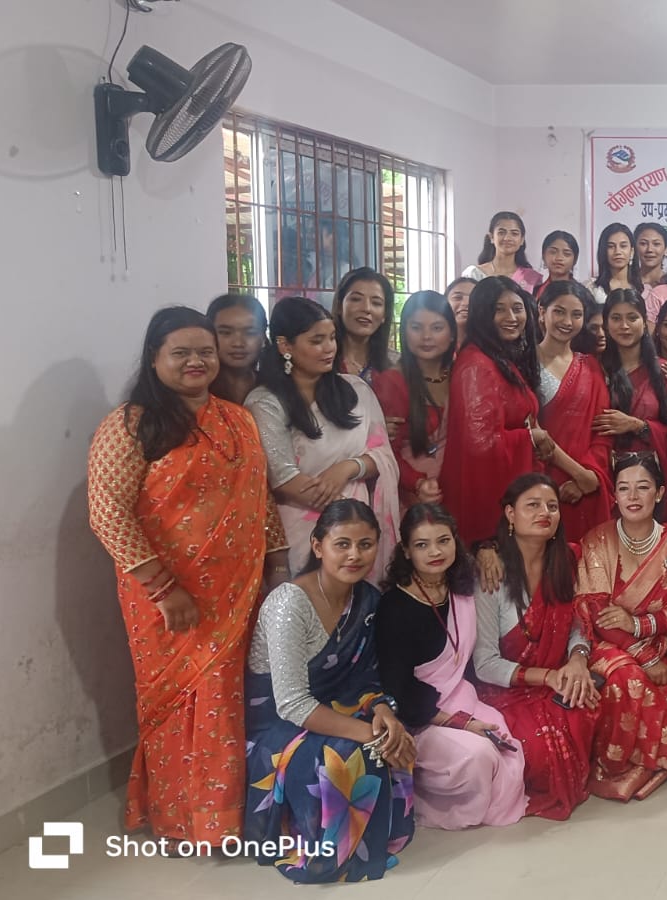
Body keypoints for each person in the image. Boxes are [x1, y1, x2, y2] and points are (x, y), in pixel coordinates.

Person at [87, 306, 288, 842]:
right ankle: (181, 820)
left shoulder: (237, 418)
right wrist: (162, 588)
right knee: (180, 703)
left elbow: (259, 497)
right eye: (181, 352)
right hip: (167, 598)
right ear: (154, 359)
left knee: (233, 694)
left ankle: (230, 815)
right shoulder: (130, 424)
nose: (196, 361)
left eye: (205, 351)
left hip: (239, 590)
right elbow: (107, 513)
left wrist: (279, 564)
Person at [243, 499, 415, 882]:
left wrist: (383, 713)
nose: (355, 555)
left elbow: (367, 678)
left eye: (365, 545)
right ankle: (327, 850)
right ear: (318, 546)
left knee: (394, 736)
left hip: (335, 707)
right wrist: (366, 731)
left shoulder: (367, 600)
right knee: (351, 753)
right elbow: (291, 703)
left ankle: (374, 840)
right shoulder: (289, 603)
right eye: (342, 544)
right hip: (279, 724)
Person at [375, 504, 526, 828]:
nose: (435, 552)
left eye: (443, 541)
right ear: (406, 551)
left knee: (505, 740)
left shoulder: (462, 588)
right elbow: (399, 689)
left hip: (462, 697)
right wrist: (463, 723)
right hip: (418, 719)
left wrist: (487, 550)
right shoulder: (394, 606)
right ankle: (433, 802)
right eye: (422, 544)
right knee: (478, 755)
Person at [575, 455, 667, 800]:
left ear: (659, 493)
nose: (633, 496)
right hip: (606, 643)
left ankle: (647, 763)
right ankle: (613, 767)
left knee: (666, 684)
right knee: (628, 679)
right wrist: (643, 656)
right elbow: (596, 612)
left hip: (660, 642)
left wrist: (640, 624)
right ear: (614, 495)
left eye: (643, 487)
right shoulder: (597, 540)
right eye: (624, 488)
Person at [471, 474, 601, 820]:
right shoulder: (491, 572)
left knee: (594, 704)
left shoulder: (565, 561)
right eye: (533, 505)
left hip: (558, 675)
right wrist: (547, 676)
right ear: (510, 514)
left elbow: (576, 624)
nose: (545, 512)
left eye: (552, 506)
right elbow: (484, 662)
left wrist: (577, 660)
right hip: (509, 688)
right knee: (542, 751)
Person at [245, 296, 400, 576]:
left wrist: (348, 468)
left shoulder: (355, 390)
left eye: (331, 338)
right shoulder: (266, 402)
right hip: (302, 531)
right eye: (317, 341)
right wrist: (350, 515)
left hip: (361, 533)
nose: (329, 348)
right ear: (285, 346)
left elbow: (383, 456)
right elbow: (283, 479)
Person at [440, 276, 541, 558]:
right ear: (483, 314)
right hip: (488, 510)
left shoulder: (497, 358)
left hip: (509, 494)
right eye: (499, 309)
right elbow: (481, 446)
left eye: (517, 308)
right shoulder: (477, 365)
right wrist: (530, 438)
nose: (512, 318)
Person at [532, 280, 614, 543]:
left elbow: (602, 432)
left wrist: (587, 478)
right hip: (535, 481)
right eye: (559, 311)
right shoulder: (523, 364)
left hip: (582, 490)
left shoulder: (591, 367)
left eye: (576, 314)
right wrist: (578, 473)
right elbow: (528, 429)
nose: (567, 321)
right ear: (541, 311)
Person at [371, 291, 456, 511]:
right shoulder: (393, 382)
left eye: (437, 328)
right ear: (404, 332)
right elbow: (386, 451)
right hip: (412, 498)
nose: (426, 336)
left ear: (452, 334)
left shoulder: (461, 374)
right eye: (416, 327)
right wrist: (417, 483)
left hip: (457, 488)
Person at [598, 289, 667, 485]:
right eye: (616, 318)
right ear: (606, 324)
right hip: (604, 475)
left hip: (650, 479)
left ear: (644, 322)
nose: (624, 326)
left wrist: (637, 426)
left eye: (632, 318)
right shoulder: (595, 369)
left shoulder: (662, 372)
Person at [331, 267, 395, 383]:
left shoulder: (396, 365)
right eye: (356, 299)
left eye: (376, 303)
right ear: (340, 306)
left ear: (384, 315)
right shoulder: (322, 358)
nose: (366, 308)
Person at [462, 211, 544, 295]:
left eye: (514, 234)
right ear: (491, 237)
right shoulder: (474, 274)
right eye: (501, 233)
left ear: (522, 240)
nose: (507, 238)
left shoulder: (532, 278)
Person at [207, 293, 268, 404]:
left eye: (250, 333)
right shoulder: (197, 390)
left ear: (263, 337)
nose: (238, 343)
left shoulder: (275, 389)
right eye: (226, 333)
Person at [590, 222, 640, 303]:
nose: (617, 252)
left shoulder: (642, 289)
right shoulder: (593, 288)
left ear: (632, 251)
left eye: (623, 246)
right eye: (611, 246)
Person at [634, 222, 667, 290]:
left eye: (656, 244)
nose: (649, 249)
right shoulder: (628, 282)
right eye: (643, 243)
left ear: (666, 250)